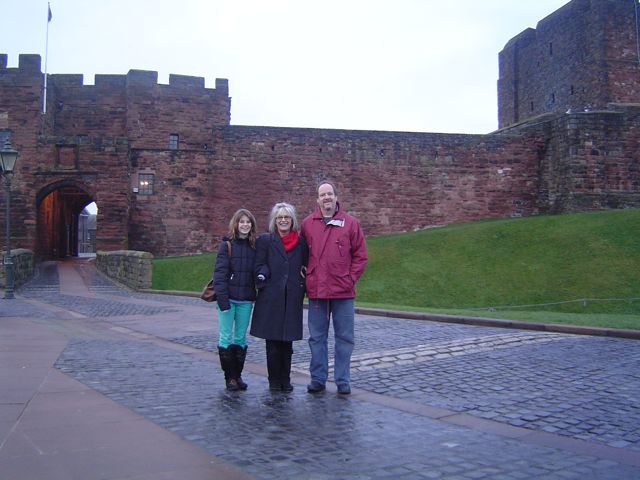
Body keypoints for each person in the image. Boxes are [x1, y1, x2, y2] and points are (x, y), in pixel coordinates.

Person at [301, 180, 368, 395]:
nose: (327, 198)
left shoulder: (350, 223)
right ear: (317, 200)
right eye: (323, 195)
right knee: (317, 338)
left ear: (336, 197)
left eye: (330, 194)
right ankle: (318, 378)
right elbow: (301, 254)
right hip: (318, 291)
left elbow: (360, 256)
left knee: (345, 338)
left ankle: (342, 379)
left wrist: (350, 278)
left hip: (343, 291)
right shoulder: (307, 224)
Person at [250, 202, 308, 392]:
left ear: (292, 221)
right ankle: (274, 380)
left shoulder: (300, 242)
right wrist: (263, 280)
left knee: (287, 342)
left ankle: (286, 378)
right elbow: (258, 265)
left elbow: (305, 265)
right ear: (275, 220)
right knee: (273, 342)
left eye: (287, 217)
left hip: (291, 296)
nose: (283, 220)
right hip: (271, 297)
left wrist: (302, 284)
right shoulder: (266, 240)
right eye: (280, 217)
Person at [213, 209, 258, 391]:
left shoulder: (254, 246)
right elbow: (220, 273)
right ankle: (229, 377)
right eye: (242, 222)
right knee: (225, 337)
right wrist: (222, 300)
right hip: (228, 299)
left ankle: (237, 375)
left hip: (245, 299)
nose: (245, 225)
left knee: (240, 338)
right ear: (236, 224)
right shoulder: (227, 246)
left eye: (248, 222)